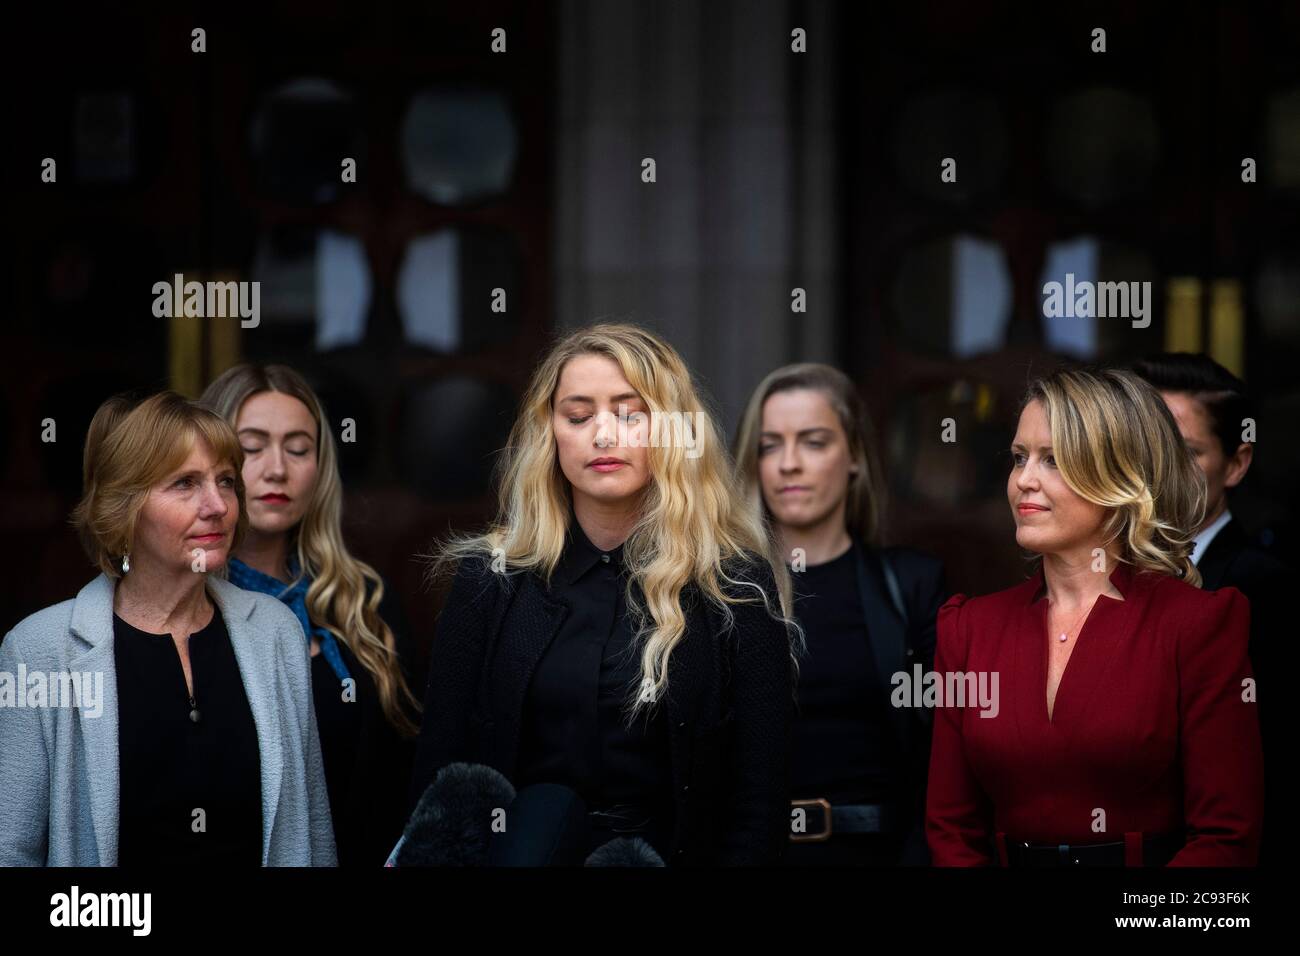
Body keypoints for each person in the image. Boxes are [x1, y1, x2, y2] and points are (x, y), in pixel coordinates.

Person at [411, 323, 798, 865]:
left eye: (629, 413)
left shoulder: (734, 584)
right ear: (551, 434)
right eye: (579, 415)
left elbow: (759, 801)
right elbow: (440, 774)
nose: (604, 435)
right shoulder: (488, 579)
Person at [926, 367, 1262, 866]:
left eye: (1055, 461)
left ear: (1122, 476)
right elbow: (950, 828)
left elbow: (1225, 836)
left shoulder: (1196, 625)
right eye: (1020, 458)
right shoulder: (969, 629)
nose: (1024, 480)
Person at [0, 391, 335, 865]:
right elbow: (10, 850)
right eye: (185, 483)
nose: (217, 504)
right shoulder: (38, 650)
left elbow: (312, 833)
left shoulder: (276, 631)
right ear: (125, 507)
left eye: (225, 481)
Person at [201, 365, 420, 867]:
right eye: (252, 447)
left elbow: (407, 764)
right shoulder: (184, 603)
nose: (276, 468)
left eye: (298, 449)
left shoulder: (363, 601)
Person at [734, 363, 945, 865]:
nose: (789, 464)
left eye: (813, 442)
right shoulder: (727, 590)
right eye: (770, 445)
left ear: (853, 456)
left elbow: (943, 754)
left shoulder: (911, 585)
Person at [1133, 352, 1285, 861]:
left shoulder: (1260, 590)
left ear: (1236, 463)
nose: (1158, 471)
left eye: (1186, 452)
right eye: (1143, 448)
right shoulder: (1094, 576)